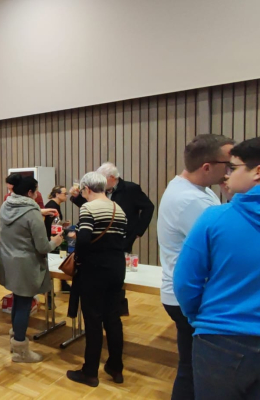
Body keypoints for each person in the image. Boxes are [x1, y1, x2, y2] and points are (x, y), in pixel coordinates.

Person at [174, 137, 260, 400]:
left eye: (233, 168)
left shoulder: (216, 218)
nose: (227, 174)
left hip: (222, 336)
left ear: (257, 171)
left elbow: (185, 283)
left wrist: (199, 317)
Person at [157, 133, 235, 400]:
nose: (232, 170)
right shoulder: (192, 200)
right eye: (229, 164)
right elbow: (224, 245)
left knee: (191, 366)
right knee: (194, 369)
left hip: (184, 290)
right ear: (207, 167)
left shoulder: (193, 190)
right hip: (190, 293)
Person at [66, 172, 128, 388]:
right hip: (117, 267)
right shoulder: (118, 208)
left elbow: (83, 241)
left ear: (87, 189)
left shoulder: (88, 208)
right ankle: (116, 367)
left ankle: (90, 372)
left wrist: (80, 259)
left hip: (94, 270)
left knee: (93, 320)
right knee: (113, 319)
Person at [70, 162, 154, 316]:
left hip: (121, 237)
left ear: (113, 178)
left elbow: (149, 207)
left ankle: (117, 306)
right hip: (100, 239)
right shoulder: (101, 192)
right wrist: (76, 197)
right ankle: (108, 309)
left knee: (116, 273)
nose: (100, 181)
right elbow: (91, 206)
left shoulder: (130, 189)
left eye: (102, 178)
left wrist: (138, 231)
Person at [0, 176, 63, 363]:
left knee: (18, 300)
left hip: (9, 260)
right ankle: (21, 350)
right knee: (24, 304)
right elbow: (42, 247)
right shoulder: (32, 213)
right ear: (29, 193)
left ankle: (15, 338)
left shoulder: (6, 205)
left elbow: (21, 217)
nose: (38, 194)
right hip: (26, 264)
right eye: (36, 190)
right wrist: (56, 241)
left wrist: (39, 211)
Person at [44, 185, 72, 293]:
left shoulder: (55, 205)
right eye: (65, 193)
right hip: (51, 239)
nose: (66, 196)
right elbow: (49, 225)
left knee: (61, 259)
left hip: (54, 237)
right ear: (57, 194)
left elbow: (54, 224)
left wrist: (63, 225)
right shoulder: (52, 206)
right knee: (54, 261)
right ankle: (48, 288)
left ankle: (63, 284)